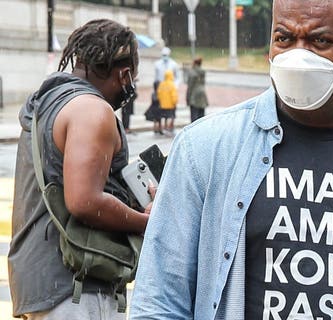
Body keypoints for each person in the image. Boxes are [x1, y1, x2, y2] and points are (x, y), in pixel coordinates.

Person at [130, 0, 333, 319]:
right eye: (284, 39)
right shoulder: (204, 150)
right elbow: (159, 304)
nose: (299, 57)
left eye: (320, 40)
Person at [8, 19, 151, 319]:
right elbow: (84, 201)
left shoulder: (47, 103)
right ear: (124, 74)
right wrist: (144, 221)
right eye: (132, 78)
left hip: (39, 283)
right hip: (75, 289)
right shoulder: (92, 109)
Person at [186, 57, 209, 122]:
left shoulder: (192, 73)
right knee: (201, 117)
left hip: (194, 96)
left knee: (194, 117)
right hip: (202, 94)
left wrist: (187, 98)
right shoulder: (202, 72)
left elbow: (190, 87)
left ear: (194, 63)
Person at [157, 70, 178, 134]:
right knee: (172, 116)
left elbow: (159, 93)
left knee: (165, 116)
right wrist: (175, 102)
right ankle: (170, 126)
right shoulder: (172, 85)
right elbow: (174, 95)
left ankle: (165, 126)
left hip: (163, 104)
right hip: (170, 105)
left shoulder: (161, 84)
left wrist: (160, 102)